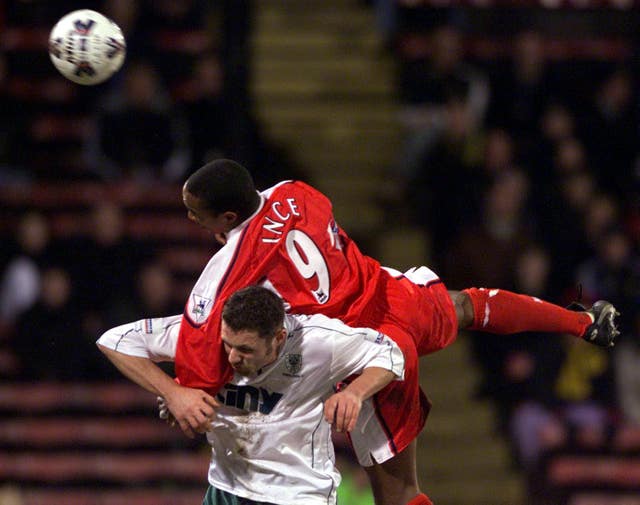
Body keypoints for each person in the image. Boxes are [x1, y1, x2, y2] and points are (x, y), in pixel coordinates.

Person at [106, 158, 619, 505]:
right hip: (385, 294)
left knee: (397, 495)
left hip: (357, 345)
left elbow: (204, 352)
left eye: (196, 216)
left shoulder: (228, 269)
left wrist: (179, 393)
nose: (192, 222)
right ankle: (581, 320)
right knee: (468, 306)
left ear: (228, 217)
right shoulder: (295, 190)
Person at [97, 285, 405, 505]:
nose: (231, 357)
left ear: (278, 338)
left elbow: (391, 353)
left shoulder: (320, 343)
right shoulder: (202, 335)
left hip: (296, 493)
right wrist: (175, 393)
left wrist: (354, 392)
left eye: (245, 350)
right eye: (227, 344)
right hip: (226, 487)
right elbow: (115, 340)